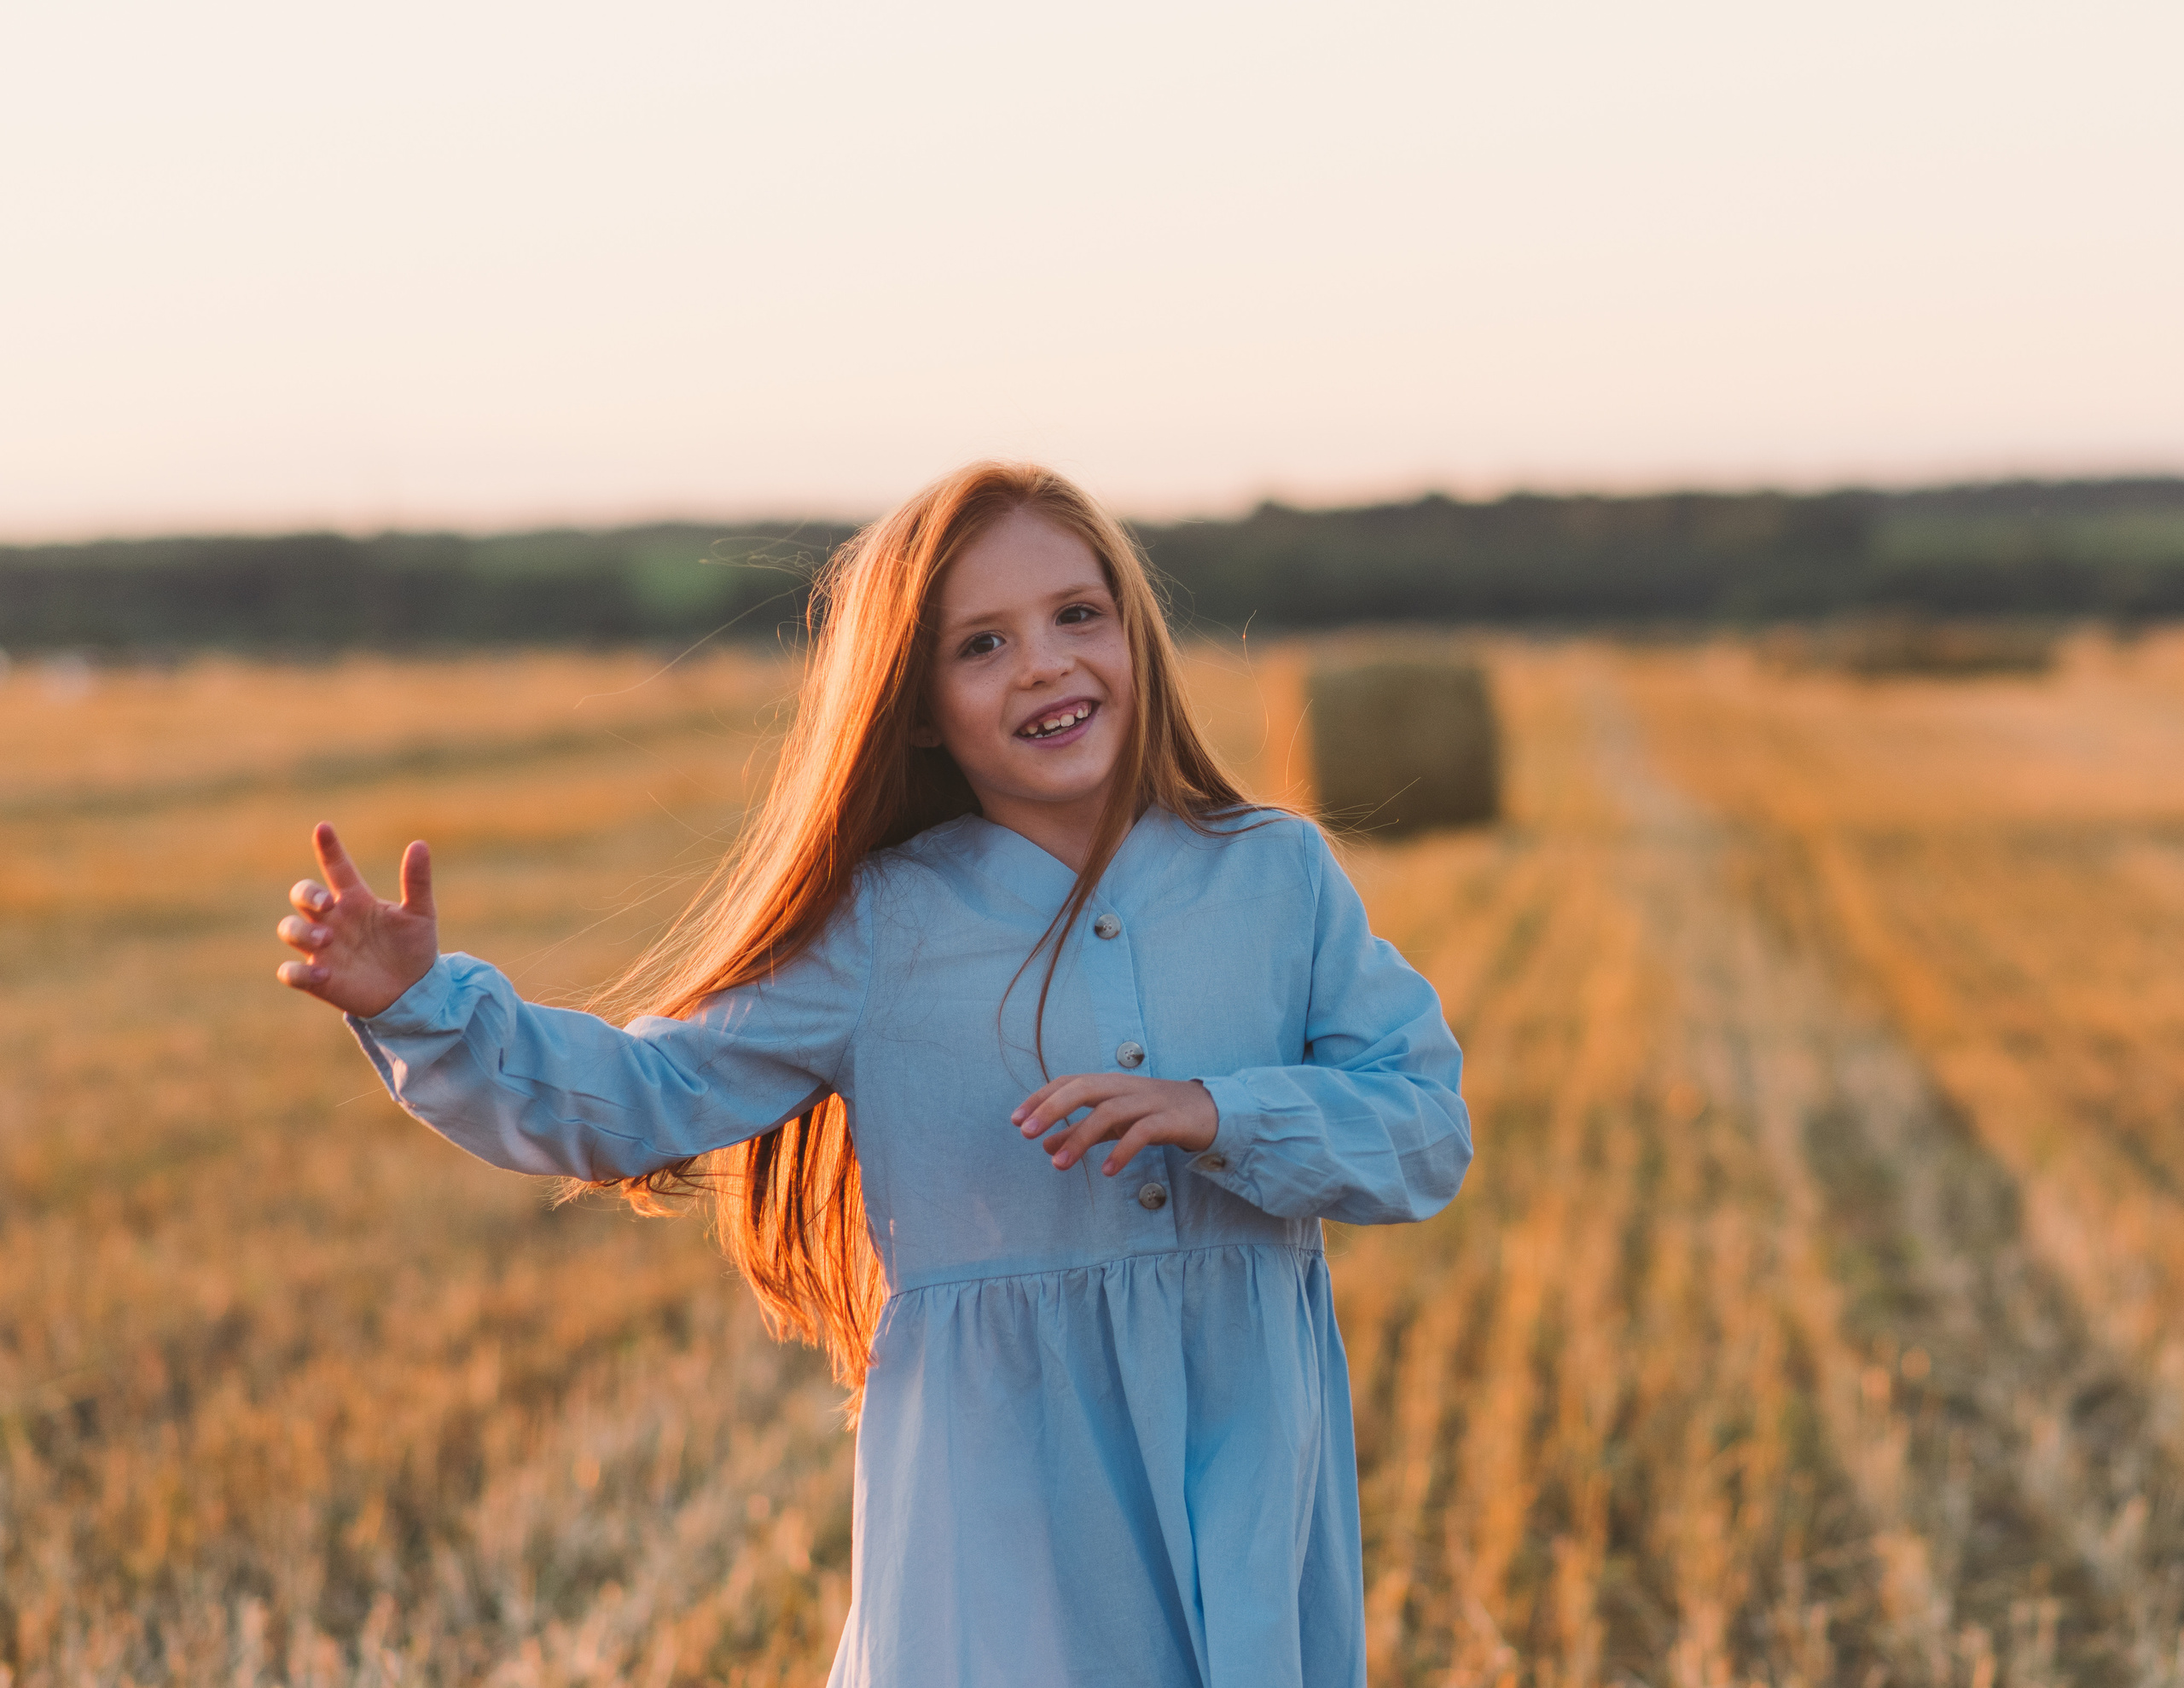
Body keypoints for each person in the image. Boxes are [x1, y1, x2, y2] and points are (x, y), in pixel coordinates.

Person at [273, 461, 1472, 1688]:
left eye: (1077, 615)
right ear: (916, 707)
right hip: (1000, 1507)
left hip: (1247, 1478)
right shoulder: (882, 927)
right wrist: (424, 1011)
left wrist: (1220, 1113)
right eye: (981, 645)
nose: (1046, 664)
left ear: (1134, 634)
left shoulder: (1277, 877)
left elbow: (1426, 1128)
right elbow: (642, 1101)